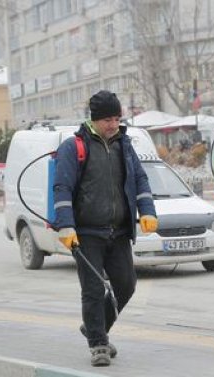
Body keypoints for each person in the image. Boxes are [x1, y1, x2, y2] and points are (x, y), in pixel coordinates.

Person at [52, 90, 158, 367]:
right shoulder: (73, 147)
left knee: (126, 285)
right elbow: (62, 187)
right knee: (93, 289)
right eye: (107, 119)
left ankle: (94, 326)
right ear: (94, 119)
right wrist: (65, 226)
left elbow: (140, 179)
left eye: (116, 118)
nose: (113, 124)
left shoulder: (124, 145)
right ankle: (98, 343)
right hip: (86, 233)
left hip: (119, 231)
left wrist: (147, 211)